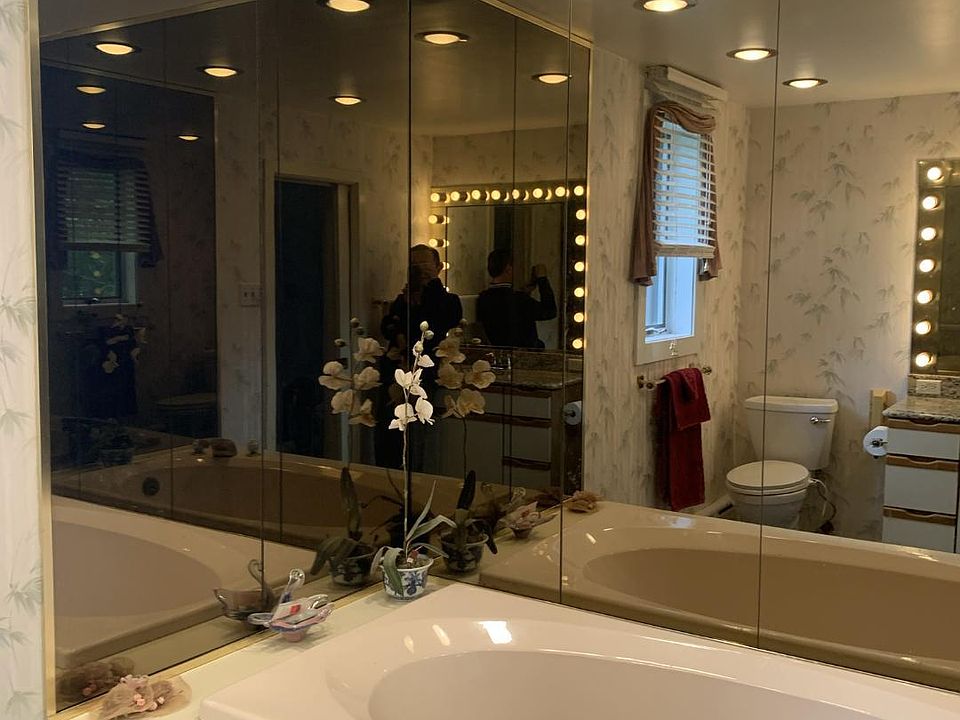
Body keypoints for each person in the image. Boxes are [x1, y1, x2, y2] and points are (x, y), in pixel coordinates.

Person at [477, 248, 557, 349]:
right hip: (524, 354)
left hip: (498, 352)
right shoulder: (519, 300)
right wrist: (542, 279)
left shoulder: (483, 298)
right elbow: (550, 311)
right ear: (508, 269)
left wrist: (524, 293)